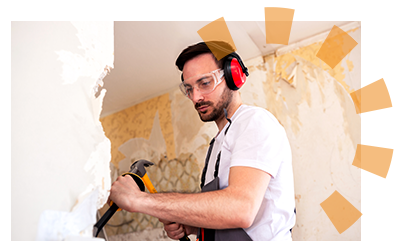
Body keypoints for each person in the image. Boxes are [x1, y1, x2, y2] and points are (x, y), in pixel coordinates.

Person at [108, 41, 296, 241]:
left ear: (233, 76)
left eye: (205, 83)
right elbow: (227, 215)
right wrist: (194, 226)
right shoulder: (217, 143)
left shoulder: (254, 122)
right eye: (189, 88)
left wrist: (139, 200)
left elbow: (241, 208)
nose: (196, 97)